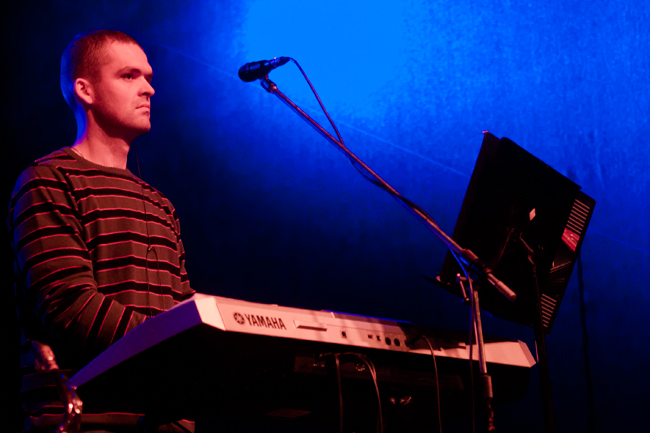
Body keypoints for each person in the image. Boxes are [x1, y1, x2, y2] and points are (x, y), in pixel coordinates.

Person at [8, 30, 195, 432]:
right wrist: (175, 344)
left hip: (169, 423)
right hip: (91, 421)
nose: (149, 89)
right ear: (85, 90)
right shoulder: (48, 181)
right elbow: (71, 308)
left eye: (148, 77)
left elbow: (180, 305)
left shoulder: (160, 204)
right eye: (129, 76)